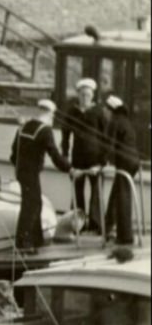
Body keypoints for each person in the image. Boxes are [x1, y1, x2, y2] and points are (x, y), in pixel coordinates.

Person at [9, 99, 72, 253]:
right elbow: (54, 155)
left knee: (35, 202)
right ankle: (23, 244)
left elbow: (14, 151)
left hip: (21, 171)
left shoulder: (24, 126)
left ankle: (36, 239)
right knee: (31, 205)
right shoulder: (45, 130)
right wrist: (69, 168)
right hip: (31, 173)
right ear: (50, 113)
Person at [60, 78, 109, 234]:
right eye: (82, 95)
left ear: (92, 95)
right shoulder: (72, 112)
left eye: (88, 95)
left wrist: (102, 162)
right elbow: (65, 135)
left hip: (95, 159)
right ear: (78, 95)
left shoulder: (99, 112)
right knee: (77, 191)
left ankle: (96, 225)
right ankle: (77, 226)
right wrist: (65, 156)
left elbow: (106, 138)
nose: (85, 98)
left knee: (96, 193)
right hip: (78, 159)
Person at [103, 94, 140, 247]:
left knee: (123, 198)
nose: (104, 112)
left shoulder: (115, 121)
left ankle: (125, 237)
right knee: (117, 194)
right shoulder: (126, 121)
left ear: (110, 109)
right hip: (132, 162)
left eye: (105, 109)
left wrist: (103, 162)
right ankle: (108, 228)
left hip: (124, 163)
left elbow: (109, 144)